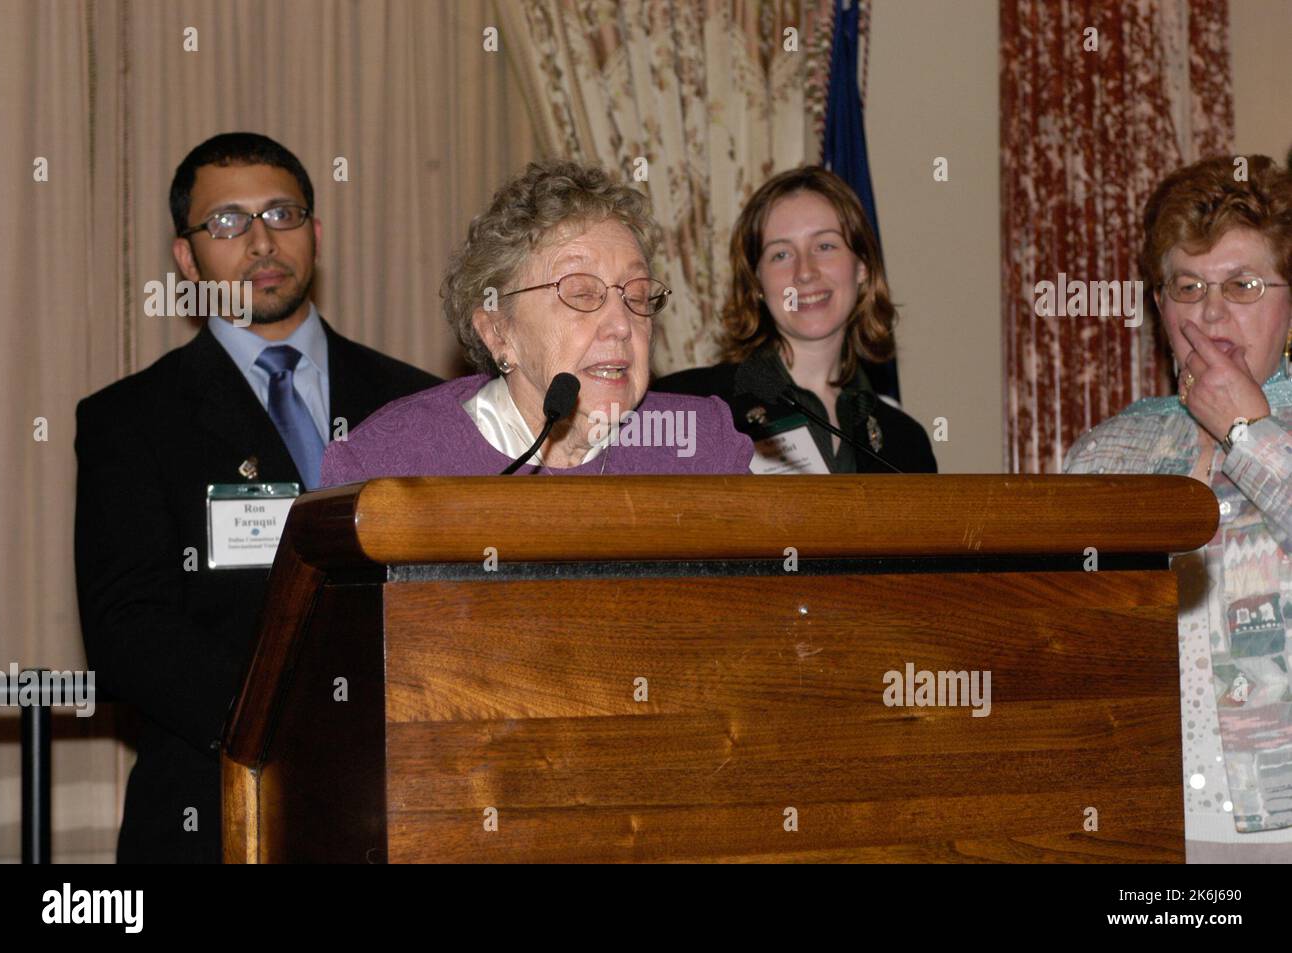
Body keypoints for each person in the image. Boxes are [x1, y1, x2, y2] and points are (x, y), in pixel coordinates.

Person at [74, 132, 440, 863]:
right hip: (209, 806)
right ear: (187, 259)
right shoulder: (131, 420)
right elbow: (126, 630)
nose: (262, 241)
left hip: (403, 802)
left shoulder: (415, 400)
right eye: (228, 223)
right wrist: (287, 719)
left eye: (283, 214)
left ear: (317, 234)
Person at [1065, 154, 1292, 863]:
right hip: (1141, 814)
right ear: (1159, 306)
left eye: (1242, 284)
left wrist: (1250, 434)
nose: (1212, 311)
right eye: (1187, 286)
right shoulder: (1107, 451)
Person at [321, 159, 752, 483]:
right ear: (497, 330)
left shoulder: (701, 447)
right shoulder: (388, 462)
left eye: (637, 295)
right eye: (582, 294)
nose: (621, 325)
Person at [651, 166, 936, 474]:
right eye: (781, 255)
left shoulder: (906, 441)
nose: (805, 272)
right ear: (757, 283)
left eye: (825, 246)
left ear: (862, 267)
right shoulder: (689, 405)